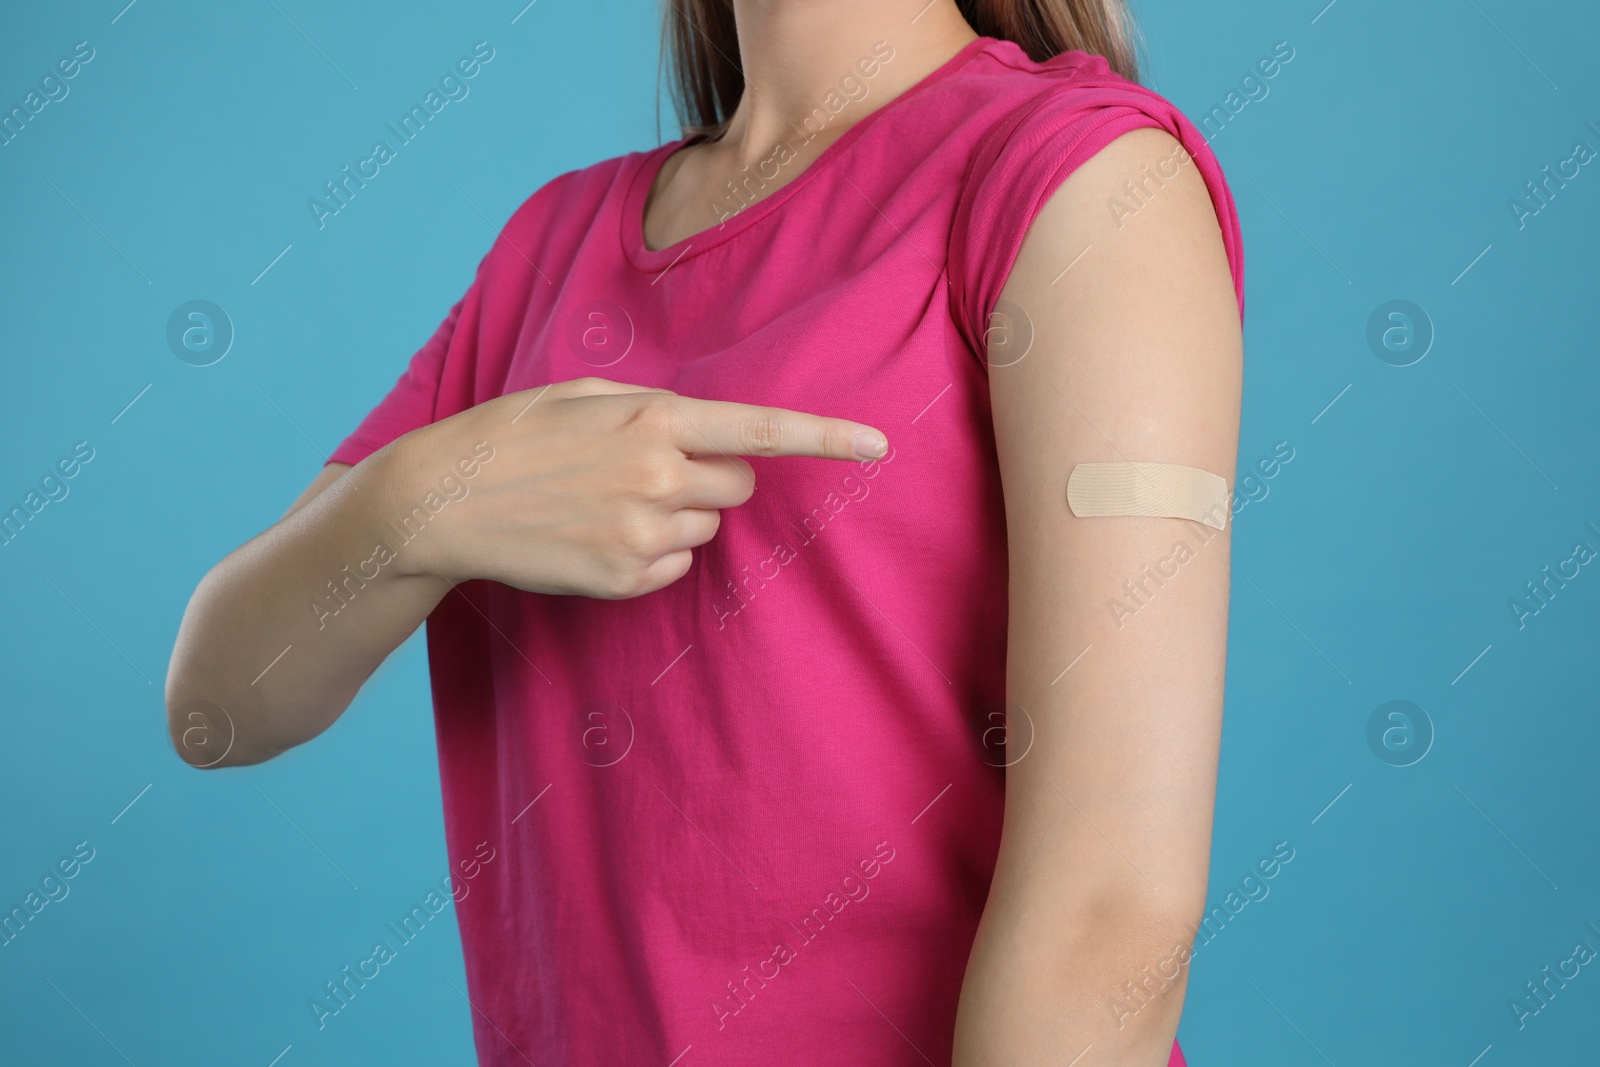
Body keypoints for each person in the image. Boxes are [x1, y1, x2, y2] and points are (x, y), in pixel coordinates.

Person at [165, 0, 1243, 1063]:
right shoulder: (549, 248)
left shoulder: (1085, 181)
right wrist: (420, 503)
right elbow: (217, 701)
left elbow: (1115, 913)